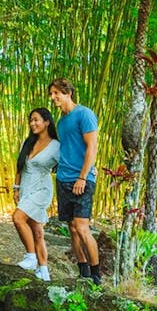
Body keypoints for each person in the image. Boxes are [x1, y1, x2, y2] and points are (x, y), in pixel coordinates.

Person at [48, 77, 101, 285]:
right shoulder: (61, 122)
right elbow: (67, 148)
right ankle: (83, 272)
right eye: (51, 94)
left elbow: (92, 147)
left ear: (68, 93)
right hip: (63, 179)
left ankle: (97, 277)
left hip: (81, 179)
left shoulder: (84, 114)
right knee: (71, 227)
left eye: (56, 94)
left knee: (82, 227)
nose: (53, 98)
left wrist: (83, 176)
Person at [12, 108, 60, 282]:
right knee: (37, 232)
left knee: (18, 218)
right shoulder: (29, 142)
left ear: (47, 122)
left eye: (36, 120)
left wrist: (86, 174)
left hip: (42, 189)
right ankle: (44, 271)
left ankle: (31, 257)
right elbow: (20, 167)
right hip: (26, 188)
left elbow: (68, 163)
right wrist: (16, 188)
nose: (32, 123)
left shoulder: (56, 146)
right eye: (31, 120)